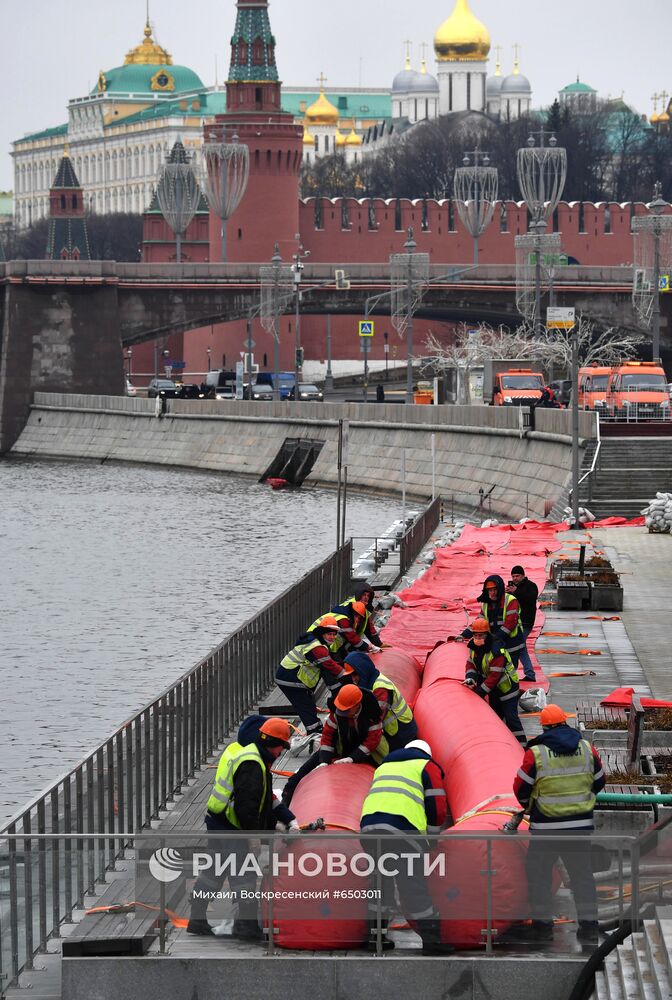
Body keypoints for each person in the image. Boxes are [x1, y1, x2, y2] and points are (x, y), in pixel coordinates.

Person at [187, 716, 297, 939]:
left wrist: (289, 819)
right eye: (280, 748)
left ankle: (196, 919)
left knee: (214, 871)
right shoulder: (252, 765)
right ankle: (245, 926)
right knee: (243, 875)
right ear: (273, 743)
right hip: (231, 828)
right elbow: (247, 808)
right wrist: (254, 837)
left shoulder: (255, 758)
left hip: (219, 823)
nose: (280, 754)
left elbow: (268, 800)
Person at [512, 704, 605, 945]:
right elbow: (599, 781)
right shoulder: (586, 748)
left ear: (544, 726)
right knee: (583, 877)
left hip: (546, 830)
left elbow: (520, 788)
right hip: (580, 828)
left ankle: (542, 928)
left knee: (539, 876)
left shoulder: (537, 753)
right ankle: (589, 928)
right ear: (565, 722)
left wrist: (530, 805)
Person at [360, 739, 453, 955]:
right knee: (413, 885)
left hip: (369, 829)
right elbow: (437, 806)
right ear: (426, 754)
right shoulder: (426, 766)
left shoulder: (384, 765)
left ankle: (375, 937)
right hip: (402, 830)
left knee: (380, 884)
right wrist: (432, 839)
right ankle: (432, 941)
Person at [281, 684, 387, 806]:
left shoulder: (372, 714)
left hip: (369, 754)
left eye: (346, 709)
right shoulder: (337, 713)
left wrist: (353, 758)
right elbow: (327, 736)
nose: (343, 712)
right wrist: (324, 760)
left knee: (383, 778)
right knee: (302, 772)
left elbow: (371, 742)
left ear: (357, 705)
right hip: (341, 749)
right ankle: (287, 796)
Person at [275, 615, 348, 748]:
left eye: (334, 634)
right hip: (290, 678)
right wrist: (348, 678)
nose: (332, 637)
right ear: (322, 633)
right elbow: (330, 666)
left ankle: (316, 732)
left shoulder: (318, 643)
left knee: (307, 706)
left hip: (293, 677)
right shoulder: (317, 648)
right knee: (306, 706)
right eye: (329, 634)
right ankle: (315, 735)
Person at [462, 617, 526, 745]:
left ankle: (522, 747)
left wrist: (479, 692)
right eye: (475, 635)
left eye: (480, 635)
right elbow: (471, 664)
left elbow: (495, 676)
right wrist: (470, 678)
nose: (477, 638)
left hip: (508, 688)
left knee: (511, 718)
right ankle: (501, 744)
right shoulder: (474, 648)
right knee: (495, 718)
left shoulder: (496, 650)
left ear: (487, 634)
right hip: (494, 690)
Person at [342, 650, 418, 749]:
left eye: (355, 675)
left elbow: (376, 717)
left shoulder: (380, 688)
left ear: (363, 671)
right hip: (393, 729)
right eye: (351, 676)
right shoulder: (367, 682)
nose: (353, 679)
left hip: (401, 731)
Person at [462, 574, 524, 669]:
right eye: (490, 590)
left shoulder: (510, 601)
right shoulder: (487, 604)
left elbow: (510, 625)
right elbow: (479, 622)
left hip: (511, 645)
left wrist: (493, 639)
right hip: (497, 643)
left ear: (500, 589)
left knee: (509, 673)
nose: (493, 593)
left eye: (495, 590)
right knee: (496, 670)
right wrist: (464, 635)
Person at [506, 565, 539, 683]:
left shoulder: (531, 586)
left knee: (518, 646)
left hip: (525, 623)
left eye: (517, 576)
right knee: (521, 647)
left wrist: (516, 592)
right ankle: (529, 673)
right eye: (513, 576)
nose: (515, 578)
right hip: (514, 623)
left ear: (523, 575)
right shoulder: (513, 588)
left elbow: (530, 598)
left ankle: (523, 673)